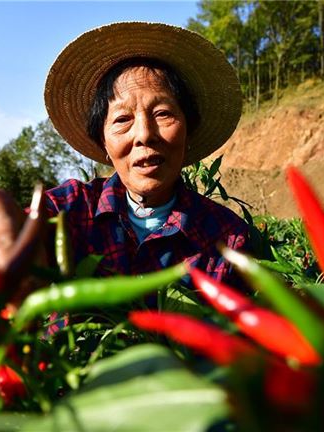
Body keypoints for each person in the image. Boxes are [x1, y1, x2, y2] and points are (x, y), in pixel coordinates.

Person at [40, 22, 249, 286]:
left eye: (163, 113)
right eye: (122, 119)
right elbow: (23, 222)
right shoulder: (71, 211)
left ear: (189, 132)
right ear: (103, 142)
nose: (144, 135)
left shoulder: (226, 238)